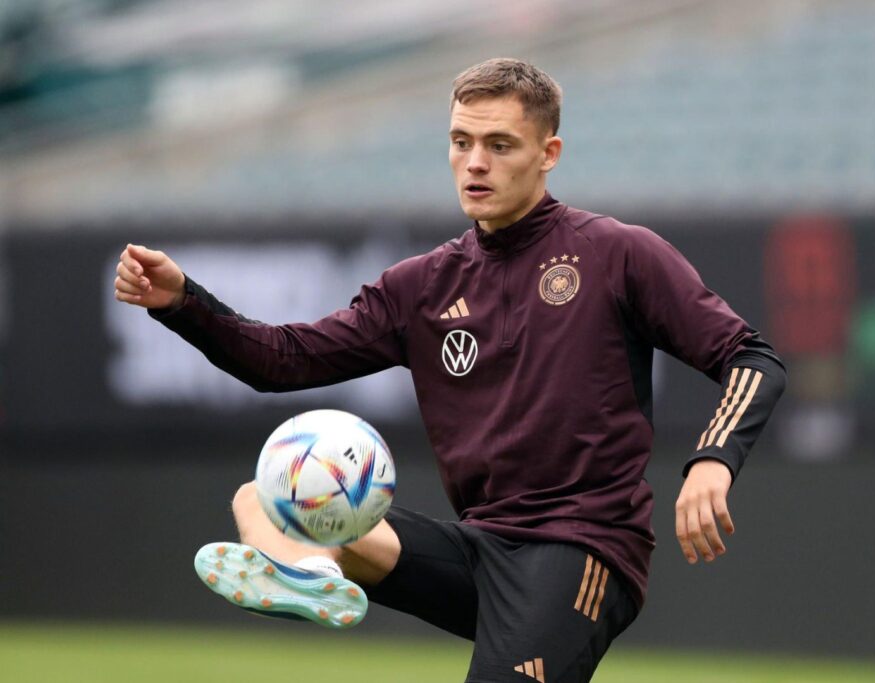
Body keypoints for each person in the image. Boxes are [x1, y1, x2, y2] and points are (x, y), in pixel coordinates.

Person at [114, 58, 785, 683]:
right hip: (477, 549)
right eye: (461, 142)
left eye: (499, 145)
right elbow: (282, 360)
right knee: (260, 498)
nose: (474, 163)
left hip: (581, 552)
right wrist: (181, 302)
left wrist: (712, 460)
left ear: (548, 154)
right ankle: (310, 574)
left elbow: (750, 357)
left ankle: (310, 566)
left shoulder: (619, 254)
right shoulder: (422, 286)